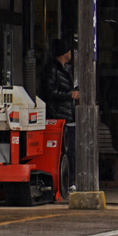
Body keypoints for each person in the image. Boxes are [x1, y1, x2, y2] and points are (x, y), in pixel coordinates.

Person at [38, 38, 78, 192]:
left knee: (70, 152)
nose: (71, 53)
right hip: (58, 117)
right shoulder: (52, 69)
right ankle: (66, 184)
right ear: (64, 52)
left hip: (67, 116)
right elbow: (49, 92)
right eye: (69, 50)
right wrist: (70, 94)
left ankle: (69, 183)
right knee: (64, 152)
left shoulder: (65, 69)